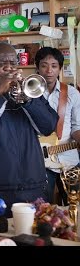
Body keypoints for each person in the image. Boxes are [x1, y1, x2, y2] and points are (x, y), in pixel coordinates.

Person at [0, 43, 58, 221]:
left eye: (13, 63)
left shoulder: (30, 90)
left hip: (33, 181)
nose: (9, 68)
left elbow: (48, 127)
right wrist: (0, 94)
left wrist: (29, 100)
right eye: (2, 63)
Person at [35, 47, 80, 205]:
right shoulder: (29, 92)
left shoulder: (72, 93)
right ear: (37, 68)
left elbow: (76, 126)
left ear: (60, 68)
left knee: (75, 205)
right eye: (44, 65)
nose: (49, 70)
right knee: (42, 207)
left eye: (54, 66)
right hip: (39, 160)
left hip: (69, 159)